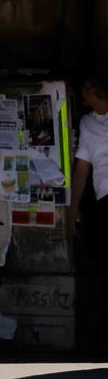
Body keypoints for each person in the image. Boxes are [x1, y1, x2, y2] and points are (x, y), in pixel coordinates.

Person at [68, 76, 108, 334]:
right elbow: (82, 167)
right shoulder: (88, 123)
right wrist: (74, 207)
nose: (85, 97)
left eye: (89, 91)